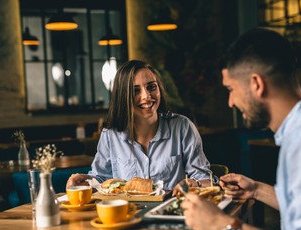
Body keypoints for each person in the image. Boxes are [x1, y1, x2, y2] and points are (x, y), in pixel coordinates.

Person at [182, 28, 301, 230]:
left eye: (231, 90)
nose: (231, 102)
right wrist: (257, 190)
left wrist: (220, 224)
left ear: (256, 84)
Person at [67, 60, 211, 191]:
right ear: (123, 96)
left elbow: (205, 179)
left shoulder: (182, 127)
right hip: (126, 215)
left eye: (151, 87)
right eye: (135, 90)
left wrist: (194, 183)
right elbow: (102, 179)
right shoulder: (110, 134)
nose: (147, 96)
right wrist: (86, 182)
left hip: (170, 212)